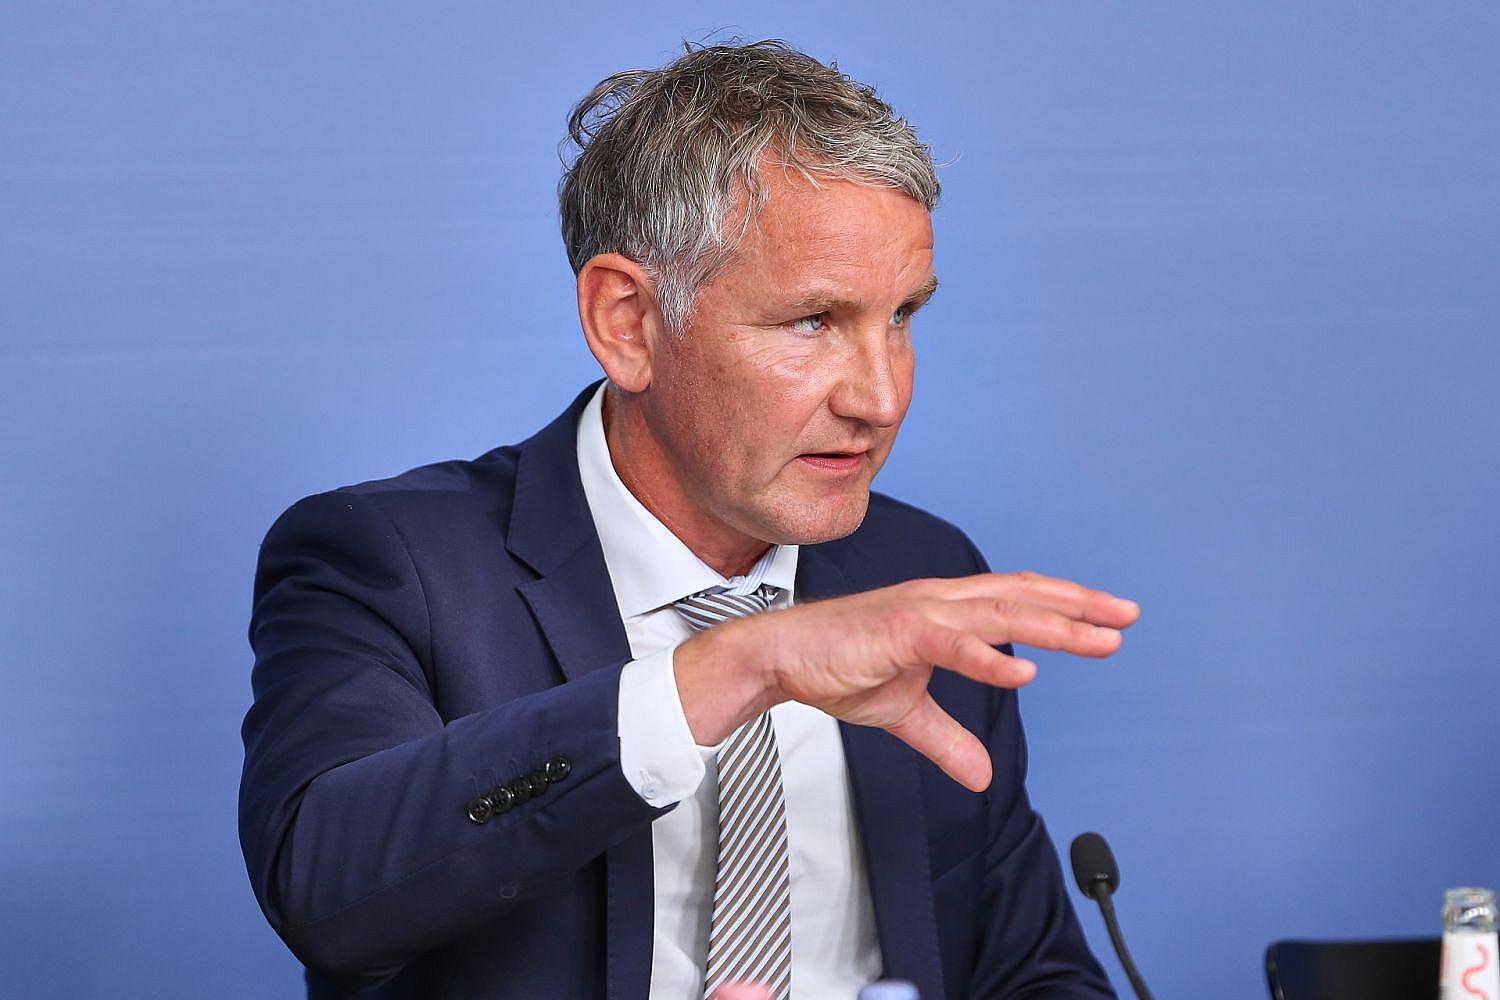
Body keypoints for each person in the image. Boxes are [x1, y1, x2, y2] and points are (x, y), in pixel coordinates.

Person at [239, 39, 1140, 1000]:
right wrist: (742, 665)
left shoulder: (923, 572)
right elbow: (326, 893)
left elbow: (1033, 973)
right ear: (628, 322)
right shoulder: (396, 563)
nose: (880, 398)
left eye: (902, 316)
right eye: (813, 322)